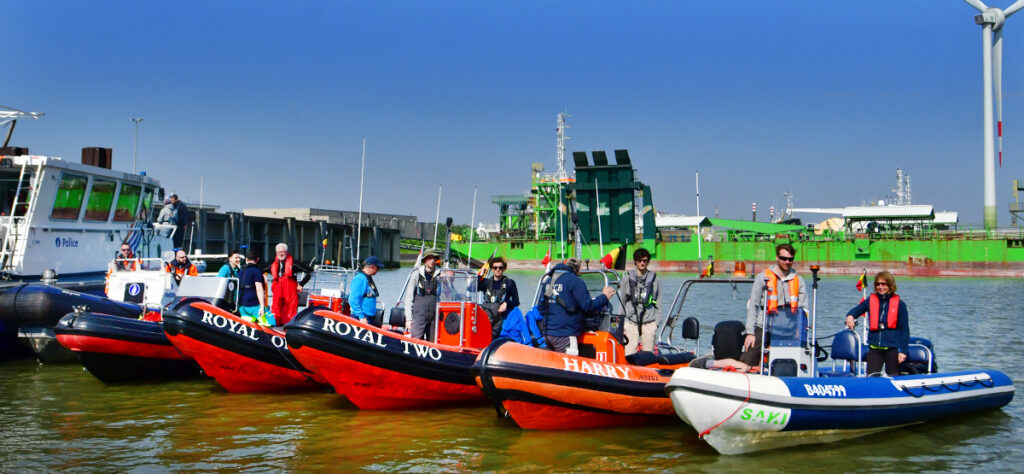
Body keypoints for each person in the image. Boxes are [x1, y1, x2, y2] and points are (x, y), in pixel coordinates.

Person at [740, 243, 807, 367]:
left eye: (790, 259)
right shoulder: (762, 278)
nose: (787, 262)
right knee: (747, 360)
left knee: (788, 365)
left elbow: (803, 309)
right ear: (777, 258)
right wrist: (750, 332)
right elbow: (753, 306)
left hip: (788, 329)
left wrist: (800, 330)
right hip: (764, 326)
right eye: (783, 258)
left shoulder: (799, 281)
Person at [540, 258, 616, 354]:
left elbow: (541, 308)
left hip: (548, 334)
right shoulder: (575, 281)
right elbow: (588, 306)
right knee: (569, 365)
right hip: (565, 335)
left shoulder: (549, 281)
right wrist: (604, 297)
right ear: (578, 269)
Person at [844, 271, 909, 376]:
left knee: (893, 376)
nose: (880, 287)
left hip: (892, 349)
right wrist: (850, 316)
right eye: (878, 284)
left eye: (883, 284)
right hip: (874, 349)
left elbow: (905, 330)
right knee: (871, 376)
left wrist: (903, 351)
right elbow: (856, 310)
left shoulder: (900, 305)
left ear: (890, 285)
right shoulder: (870, 301)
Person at [618, 248, 661, 355]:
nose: (642, 263)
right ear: (635, 262)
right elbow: (622, 301)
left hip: (649, 323)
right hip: (631, 322)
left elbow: (659, 302)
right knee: (629, 354)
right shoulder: (627, 278)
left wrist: (657, 323)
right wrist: (621, 324)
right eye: (639, 260)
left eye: (645, 260)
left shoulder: (655, 280)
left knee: (648, 356)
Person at [265, 243, 312, 326]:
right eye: (279, 252)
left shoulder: (294, 263)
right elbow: (260, 271)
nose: (281, 254)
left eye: (283, 251)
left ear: (287, 252)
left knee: (291, 307)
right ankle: (275, 324)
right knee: (276, 305)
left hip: (290, 289)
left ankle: (290, 325)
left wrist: (301, 284)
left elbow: (309, 271)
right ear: (276, 253)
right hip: (277, 289)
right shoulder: (272, 263)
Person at [478, 256, 520, 340]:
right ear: (492, 269)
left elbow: (516, 301)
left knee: (491, 336)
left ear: (504, 269)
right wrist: (479, 276)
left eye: (500, 267)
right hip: (486, 315)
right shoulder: (485, 283)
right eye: (495, 267)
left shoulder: (510, 283)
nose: (498, 269)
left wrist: (507, 303)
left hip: (500, 317)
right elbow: (470, 288)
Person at [404, 249, 442, 340]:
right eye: (430, 258)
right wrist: (408, 319)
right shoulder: (416, 274)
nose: (432, 261)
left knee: (433, 340)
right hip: (419, 312)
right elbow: (409, 298)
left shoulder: (440, 274)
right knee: (416, 338)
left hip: (434, 313)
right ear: (425, 260)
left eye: (434, 259)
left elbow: (448, 293)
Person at [238, 248, 272, 325]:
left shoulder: (241, 271)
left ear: (246, 259)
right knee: (271, 321)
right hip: (253, 305)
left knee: (248, 322)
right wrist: (262, 306)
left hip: (242, 306)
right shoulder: (257, 271)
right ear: (257, 259)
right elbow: (259, 289)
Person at [349, 256, 382, 323]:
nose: (378, 270)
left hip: (369, 317)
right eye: (378, 268)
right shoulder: (360, 279)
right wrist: (361, 317)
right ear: (372, 267)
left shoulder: (367, 278)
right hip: (360, 318)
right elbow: (353, 299)